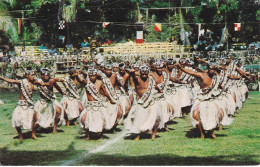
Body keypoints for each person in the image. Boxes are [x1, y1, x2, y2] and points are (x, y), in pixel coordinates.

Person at [176, 62, 226, 139]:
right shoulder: (202, 75)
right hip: (201, 98)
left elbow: (220, 84)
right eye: (212, 69)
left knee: (215, 114)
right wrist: (181, 68)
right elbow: (191, 72)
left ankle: (211, 132)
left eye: (214, 70)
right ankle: (201, 133)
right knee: (195, 115)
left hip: (211, 98)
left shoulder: (216, 77)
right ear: (208, 68)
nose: (213, 71)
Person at [0, 69, 49, 141]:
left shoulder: (34, 82)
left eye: (34, 75)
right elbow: (11, 81)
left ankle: (33, 134)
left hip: (29, 104)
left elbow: (43, 84)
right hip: (21, 104)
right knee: (17, 120)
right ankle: (20, 135)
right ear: (27, 75)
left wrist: (47, 83)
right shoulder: (21, 82)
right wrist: (2, 78)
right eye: (32, 75)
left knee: (38, 118)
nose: (33, 76)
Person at [75, 68, 116, 140]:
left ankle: (101, 134)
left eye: (93, 76)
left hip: (98, 104)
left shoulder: (100, 82)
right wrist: (77, 75)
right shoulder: (86, 82)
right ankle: (88, 135)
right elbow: (80, 80)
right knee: (85, 119)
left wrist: (110, 99)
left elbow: (105, 91)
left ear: (96, 76)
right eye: (90, 76)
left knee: (102, 119)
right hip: (90, 105)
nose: (92, 77)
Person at [125, 64, 160, 140]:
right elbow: (133, 77)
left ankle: (154, 134)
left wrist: (160, 90)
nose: (144, 75)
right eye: (143, 73)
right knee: (139, 119)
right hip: (141, 102)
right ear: (140, 73)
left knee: (156, 117)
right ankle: (138, 135)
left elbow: (155, 86)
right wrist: (132, 73)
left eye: (145, 73)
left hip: (151, 101)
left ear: (148, 73)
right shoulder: (137, 79)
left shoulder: (151, 80)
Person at [34, 68, 65, 134]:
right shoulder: (38, 81)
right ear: (42, 76)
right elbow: (34, 82)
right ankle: (36, 128)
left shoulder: (51, 81)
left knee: (59, 110)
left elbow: (57, 87)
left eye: (48, 75)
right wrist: (39, 83)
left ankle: (54, 127)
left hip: (51, 100)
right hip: (42, 101)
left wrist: (62, 93)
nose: (47, 76)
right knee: (36, 115)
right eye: (46, 75)